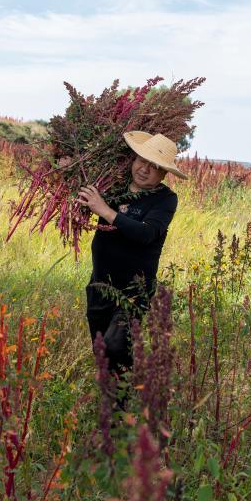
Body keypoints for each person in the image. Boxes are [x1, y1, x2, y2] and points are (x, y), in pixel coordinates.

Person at [75, 131, 186, 375]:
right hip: (99, 284)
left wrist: (105, 210)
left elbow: (146, 233)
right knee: (102, 351)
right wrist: (68, 166)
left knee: (116, 346)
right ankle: (112, 395)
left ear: (164, 174)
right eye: (142, 160)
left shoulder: (165, 199)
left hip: (134, 291)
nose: (145, 169)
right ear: (133, 159)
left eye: (155, 167)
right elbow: (79, 189)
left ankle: (130, 395)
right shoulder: (113, 185)